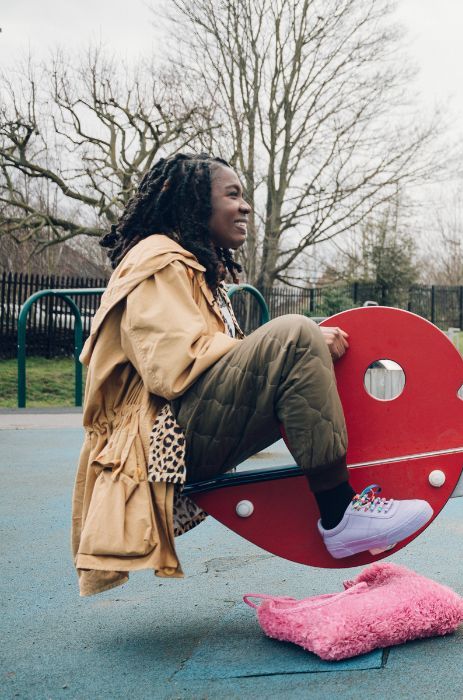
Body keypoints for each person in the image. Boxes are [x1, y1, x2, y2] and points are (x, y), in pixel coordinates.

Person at [72, 153, 431, 596]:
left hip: (185, 428)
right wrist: (297, 343)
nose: (244, 207)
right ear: (195, 203)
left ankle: (346, 504)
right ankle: (340, 515)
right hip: (162, 439)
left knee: (297, 342)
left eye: (245, 197)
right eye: (232, 195)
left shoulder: (191, 267)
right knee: (296, 334)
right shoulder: (157, 262)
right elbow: (173, 367)